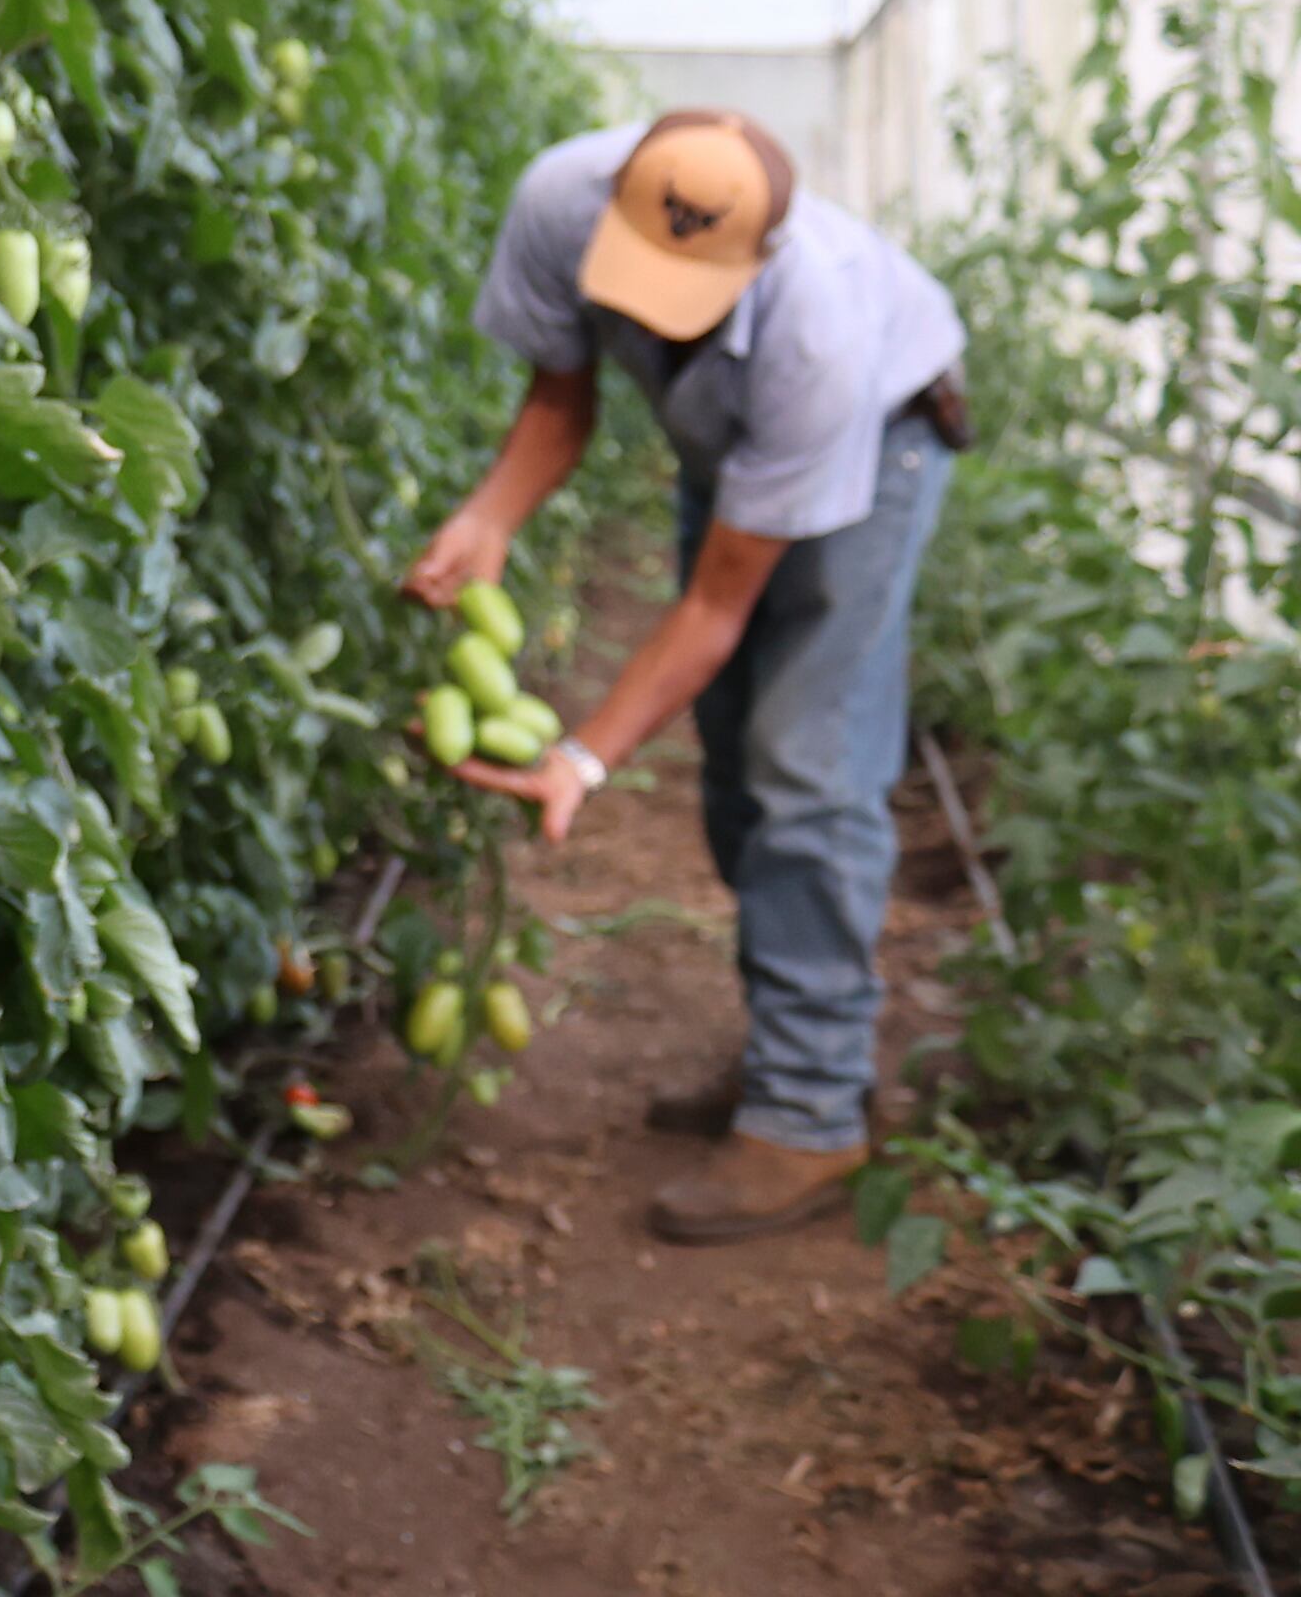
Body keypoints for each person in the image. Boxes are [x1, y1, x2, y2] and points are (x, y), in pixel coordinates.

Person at [404, 109, 967, 1243]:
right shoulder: (558, 200)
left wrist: (582, 756)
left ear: (755, 264)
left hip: (877, 439)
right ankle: (793, 1049)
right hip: (733, 448)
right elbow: (562, 400)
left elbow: (715, 606)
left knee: (806, 758)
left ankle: (810, 1115)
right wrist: (488, 518)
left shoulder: (817, 334)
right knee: (729, 756)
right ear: (611, 201)